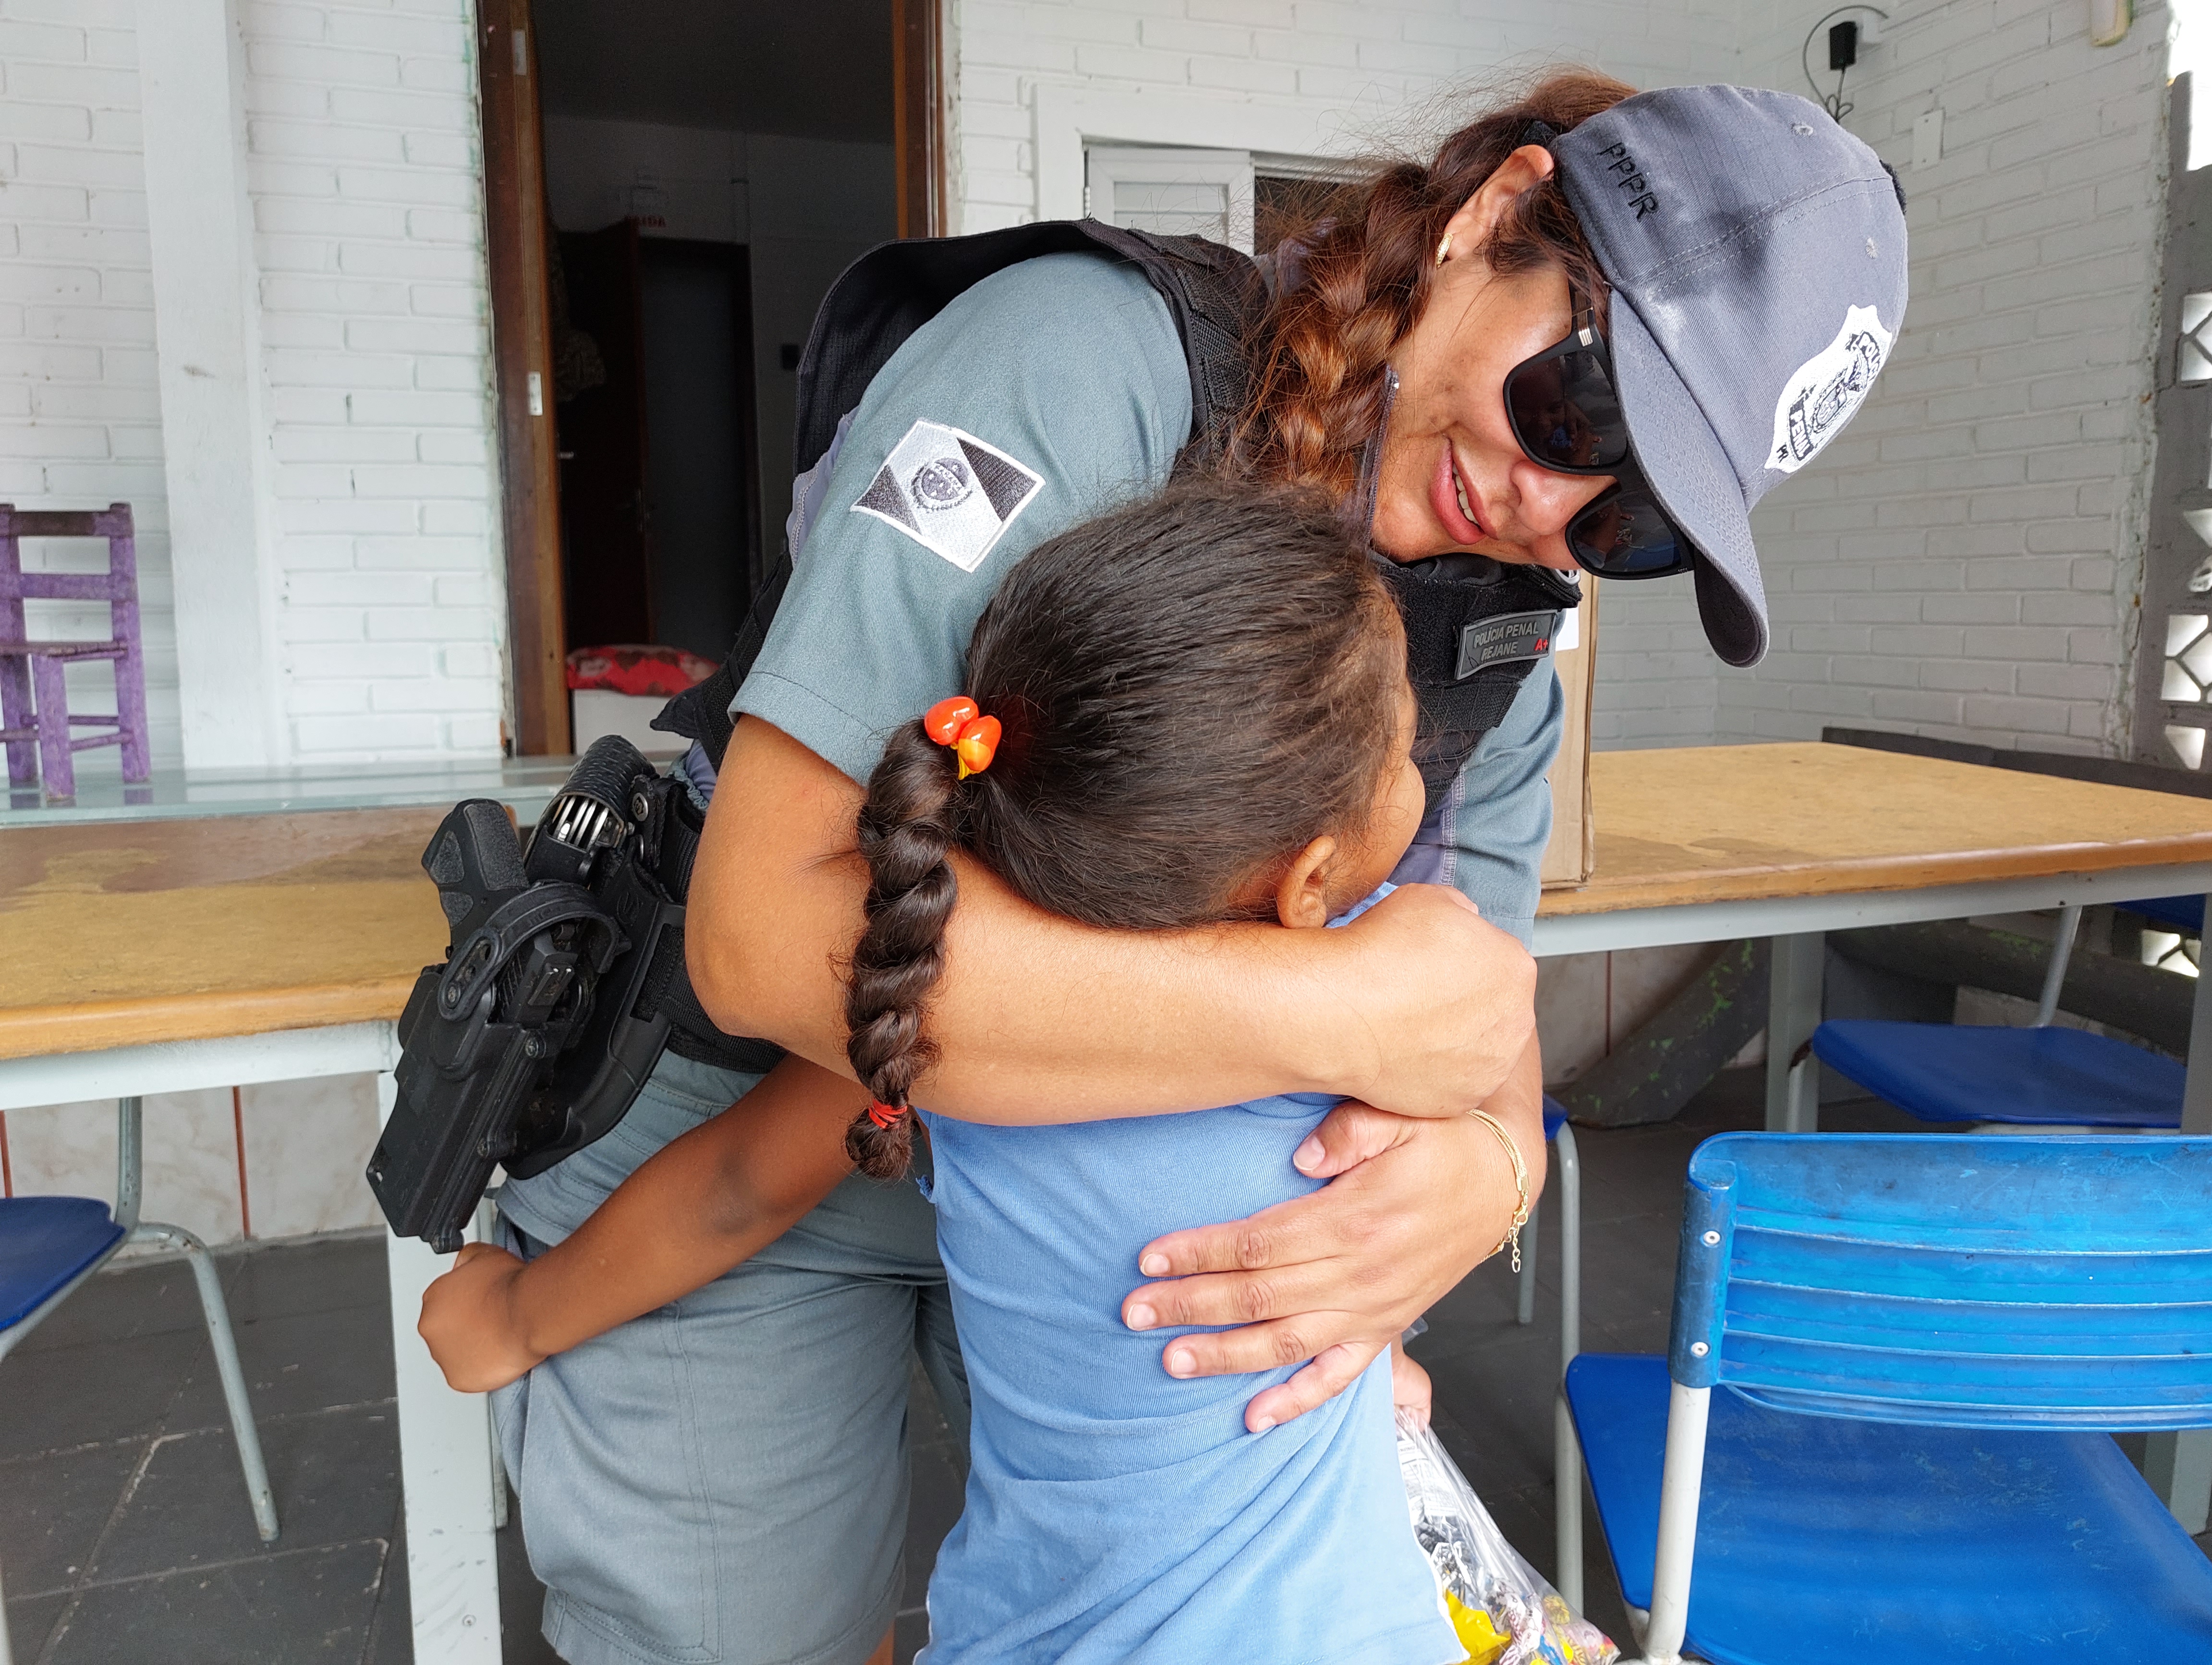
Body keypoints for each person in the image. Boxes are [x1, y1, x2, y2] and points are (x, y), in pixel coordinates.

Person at [461, 72, 1908, 1665]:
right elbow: (760, 936)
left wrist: (1478, 1180)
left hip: (1122, 1231)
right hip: (762, 1099)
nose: (1545, 503)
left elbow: (1466, 1018)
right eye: (1581, 412)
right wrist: (1334, 1013)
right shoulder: (1077, 361)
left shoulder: (1502, 642)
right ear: (1497, 215)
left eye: (1632, 519)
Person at [426, 483, 1470, 1659]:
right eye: (1405, 748)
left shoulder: (946, 1021)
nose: (1421, 765)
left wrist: (512, 1317)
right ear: (1310, 880)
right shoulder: (1389, 1004)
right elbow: (1463, 1056)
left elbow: (738, 1186)